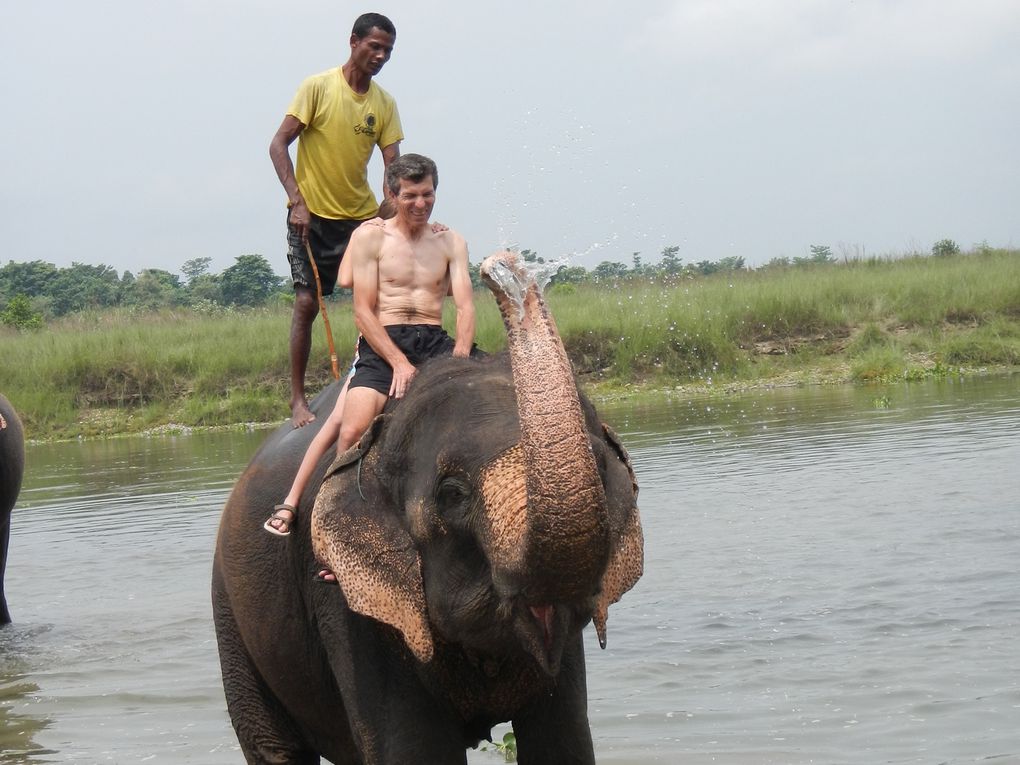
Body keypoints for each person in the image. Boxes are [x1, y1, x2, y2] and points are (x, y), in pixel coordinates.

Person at [264, 153, 478, 537]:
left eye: (428, 195)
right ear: (393, 195)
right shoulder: (370, 237)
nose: (421, 204)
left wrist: (460, 359)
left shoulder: (451, 241)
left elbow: (464, 305)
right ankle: (333, 523)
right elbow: (362, 312)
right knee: (349, 430)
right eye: (411, 196)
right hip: (384, 341)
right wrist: (398, 363)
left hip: (435, 341)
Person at [270, 12, 402, 428]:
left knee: (379, 303)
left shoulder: (384, 103)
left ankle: (379, 381)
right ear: (353, 42)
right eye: (374, 47)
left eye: (387, 51)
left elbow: (393, 164)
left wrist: (390, 201)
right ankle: (297, 400)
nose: (380, 56)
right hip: (311, 217)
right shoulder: (318, 87)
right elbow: (278, 145)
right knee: (307, 302)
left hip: (360, 219)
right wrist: (296, 199)